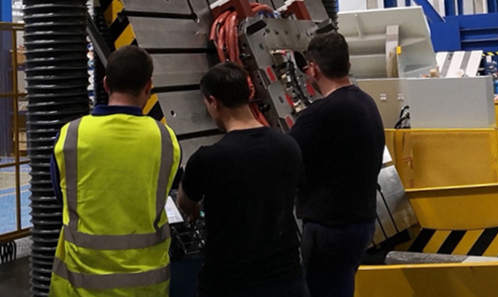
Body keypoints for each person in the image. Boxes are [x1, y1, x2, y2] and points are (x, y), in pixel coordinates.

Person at [50, 45, 181, 296]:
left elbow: (63, 198)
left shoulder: (70, 135)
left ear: (106, 84)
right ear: (148, 86)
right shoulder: (166, 139)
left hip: (79, 286)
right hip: (146, 287)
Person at [178, 62, 307, 297]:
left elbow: (186, 204)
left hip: (231, 282)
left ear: (213, 102)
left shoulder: (208, 159)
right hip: (287, 279)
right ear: (249, 93)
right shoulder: (289, 146)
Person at [289, 32, 384, 297]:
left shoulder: (318, 115)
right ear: (347, 64)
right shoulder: (366, 103)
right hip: (361, 222)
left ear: (313, 69)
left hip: (329, 228)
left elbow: (285, 161)